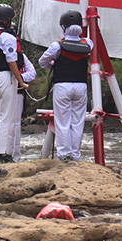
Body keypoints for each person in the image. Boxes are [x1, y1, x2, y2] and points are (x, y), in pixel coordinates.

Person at [0, 3, 35, 163]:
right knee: (7, 116)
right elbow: (12, 61)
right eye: (9, 19)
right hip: (6, 78)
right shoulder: (7, 37)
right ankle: (3, 153)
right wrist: (21, 81)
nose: (11, 22)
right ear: (4, 20)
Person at [39, 13, 92, 162]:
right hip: (81, 86)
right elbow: (87, 45)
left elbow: (42, 62)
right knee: (78, 122)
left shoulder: (57, 45)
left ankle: (64, 155)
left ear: (63, 27)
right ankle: (75, 155)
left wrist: (54, 65)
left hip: (62, 85)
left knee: (62, 122)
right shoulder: (88, 43)